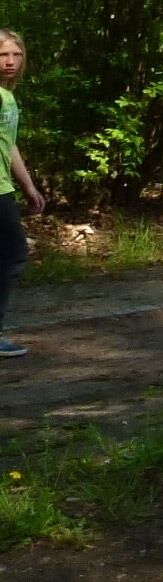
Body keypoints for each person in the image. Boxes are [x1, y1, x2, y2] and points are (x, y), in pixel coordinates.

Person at [0, 29, 46, 360]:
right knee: (13, 254)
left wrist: (28, 186)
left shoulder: (7, 97)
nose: (10, 62)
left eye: (16, 55)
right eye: (3, 55)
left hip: (4, 186)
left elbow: (9, 143)